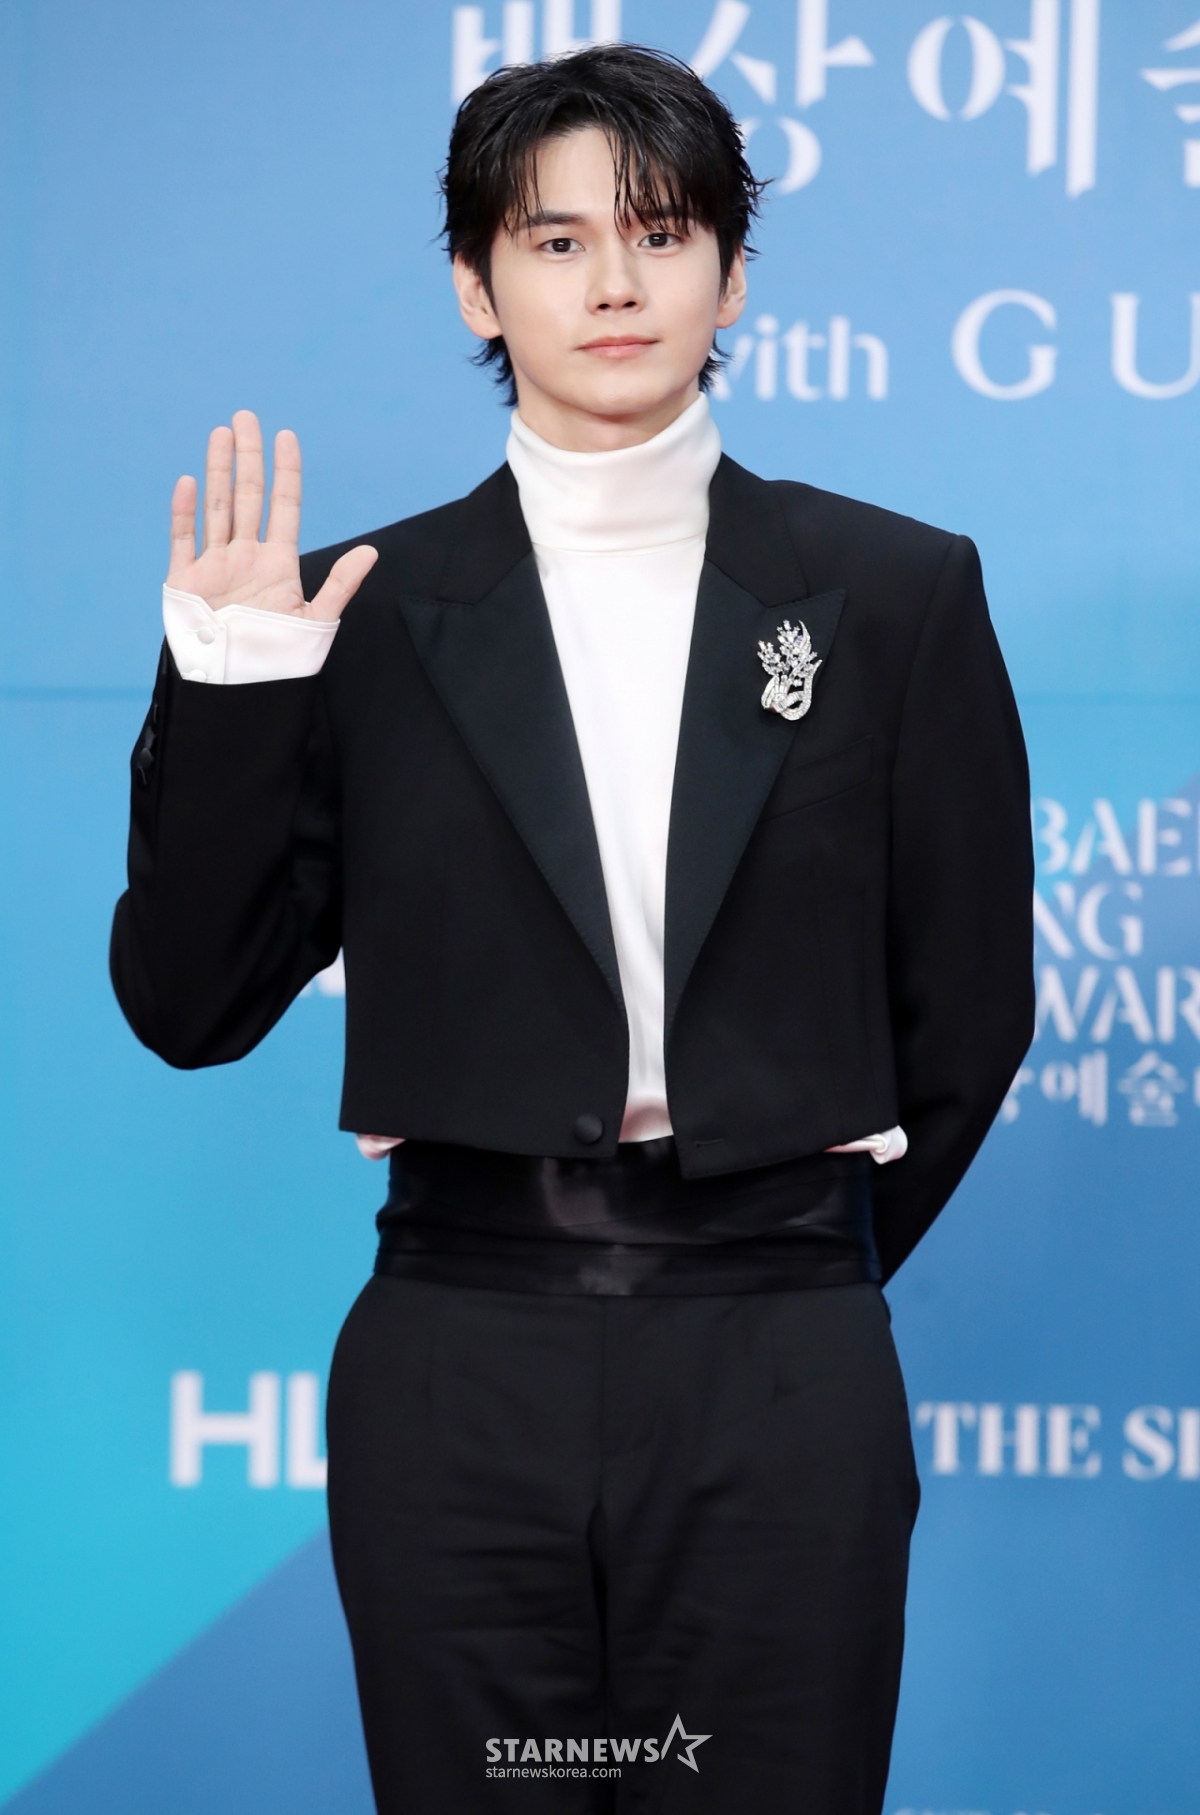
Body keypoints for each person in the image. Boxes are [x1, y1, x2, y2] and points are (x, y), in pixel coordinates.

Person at [111, 43, 1033, 1815]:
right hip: (461, 1347)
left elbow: (970, 1005)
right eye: (555, 242)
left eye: (665, 233)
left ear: (732, 273)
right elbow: (189, 1001)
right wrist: (235, 678)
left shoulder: (901, 590)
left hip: (780, 1345)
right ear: (477, 280)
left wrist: (800, 1260)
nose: (615, 282)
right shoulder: (355, 616)